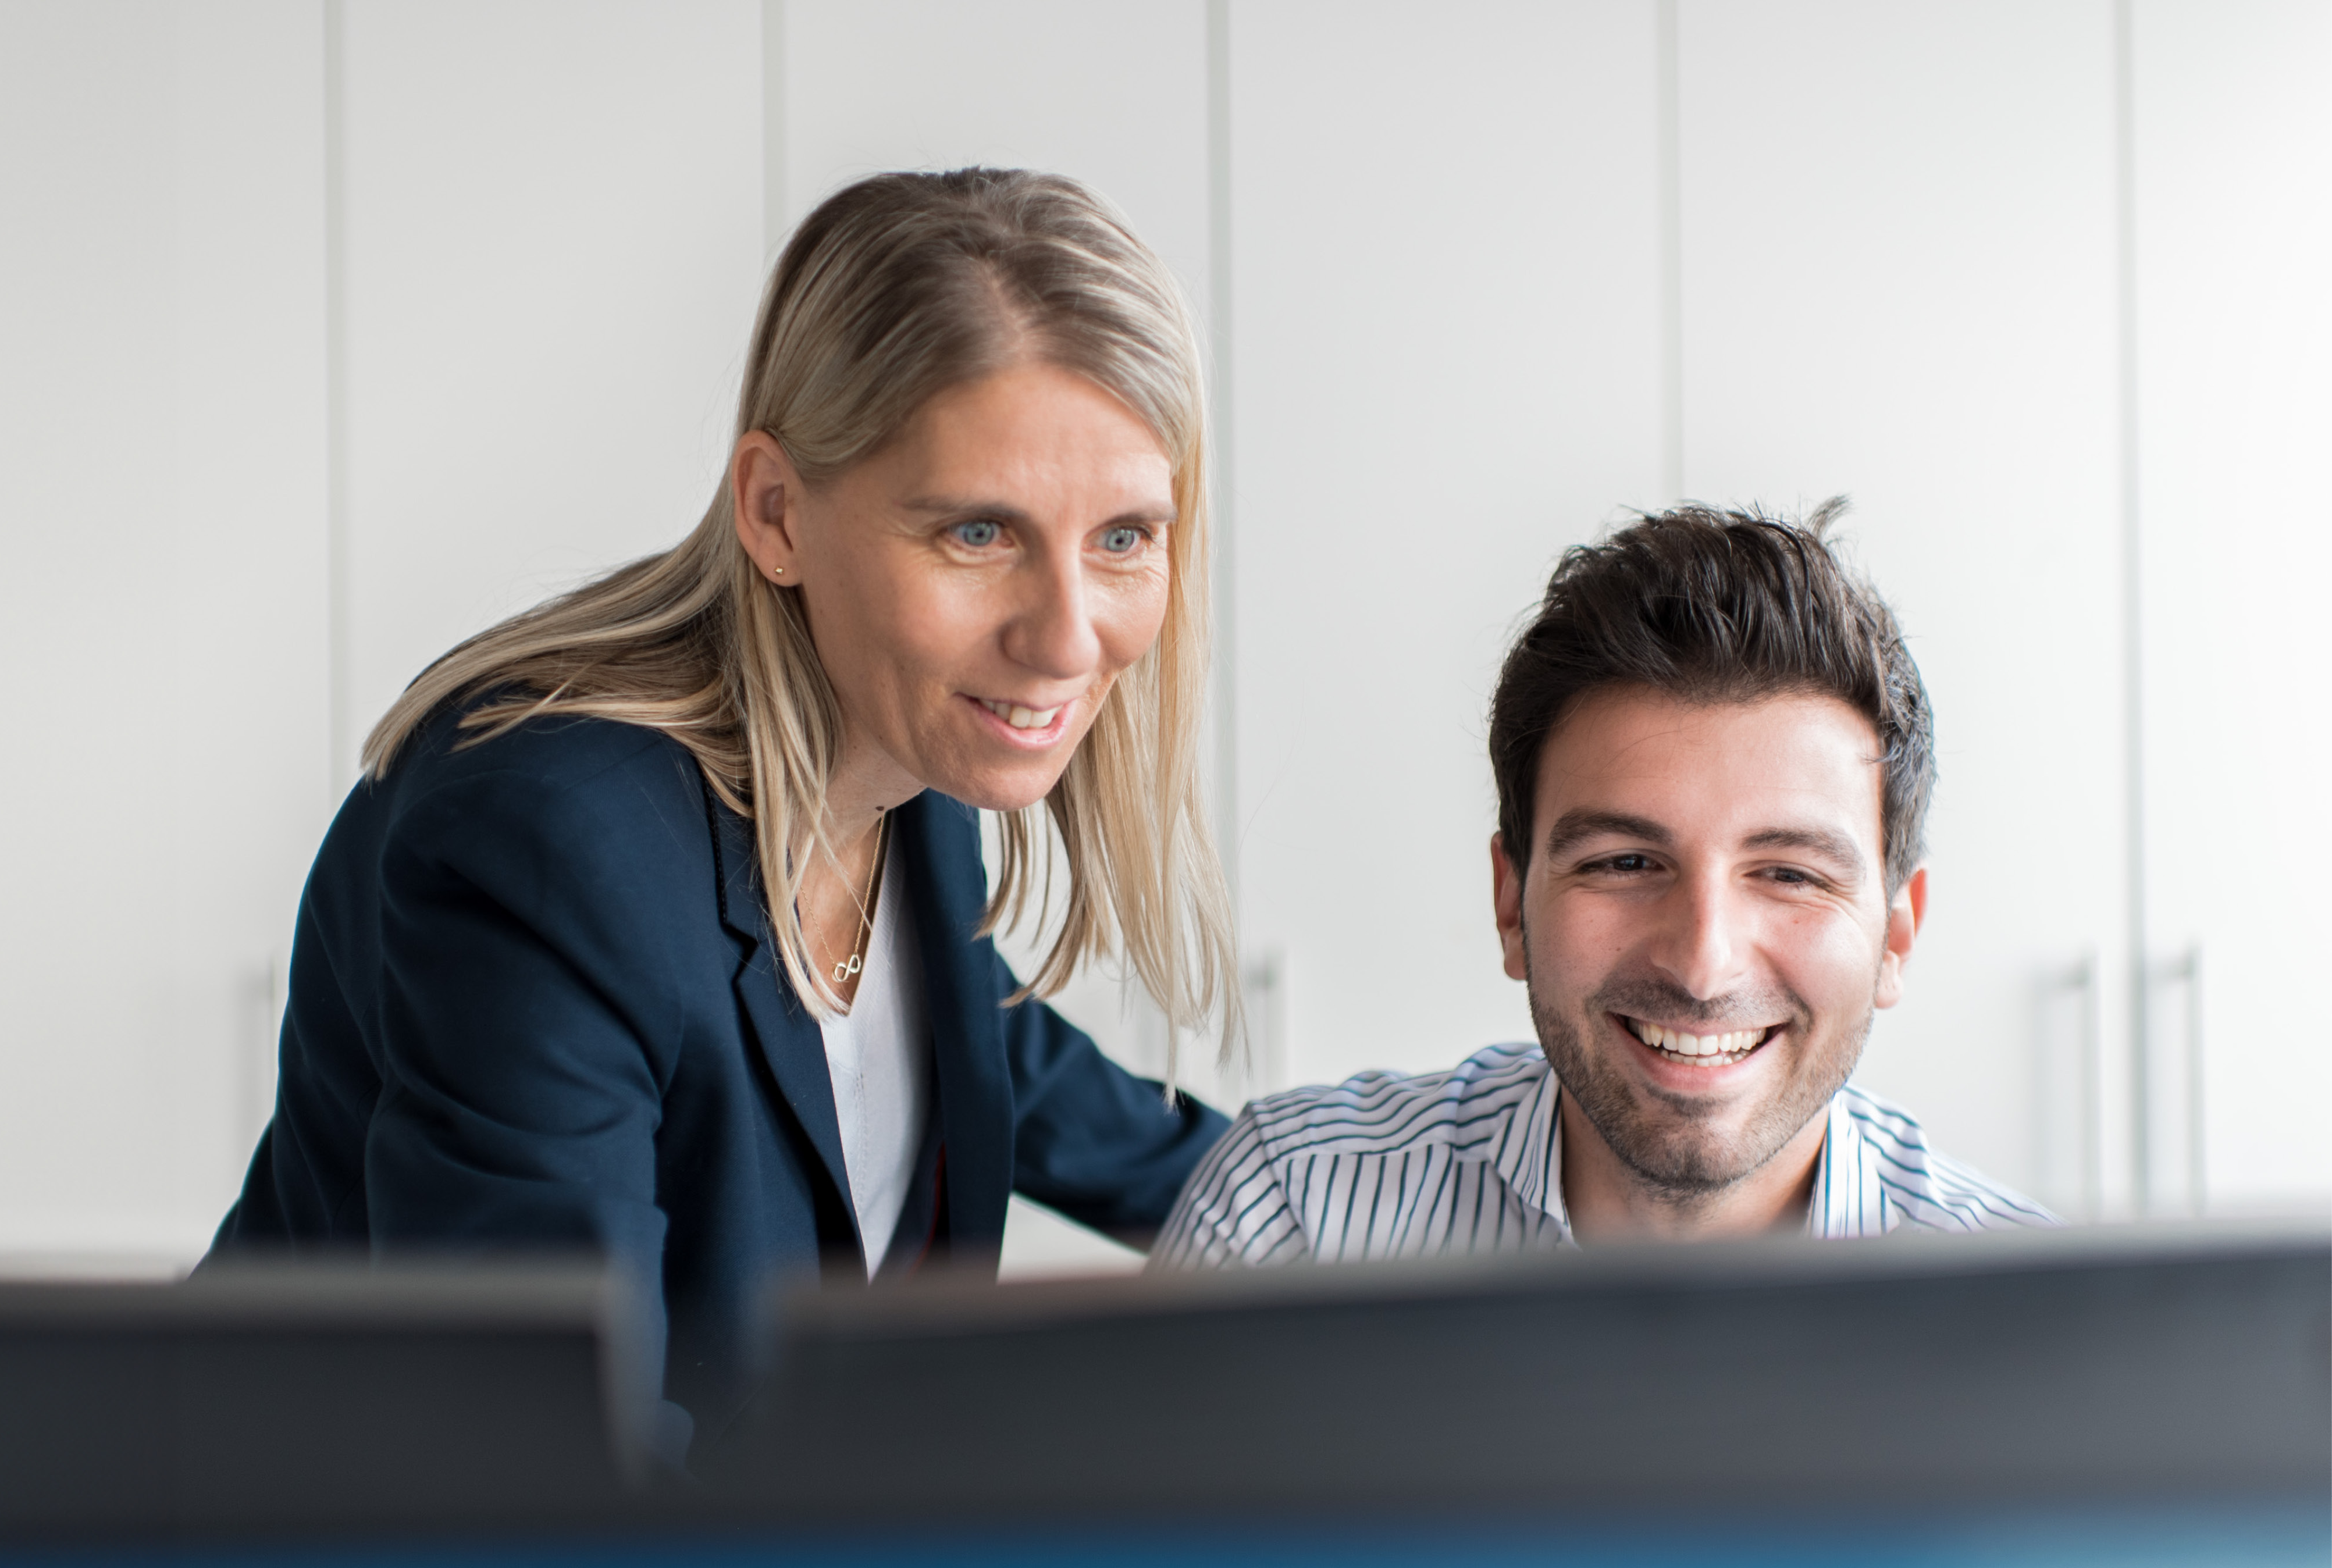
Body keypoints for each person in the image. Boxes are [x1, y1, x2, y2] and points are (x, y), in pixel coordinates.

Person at [201, 169, 1240, 1461]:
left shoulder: (909, 773)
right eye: (980, 532)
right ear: (776, 511)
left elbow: (1015, 1078)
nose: (1066, 636)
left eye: (1127, 537)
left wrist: (1408, 1189)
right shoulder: (547, 841)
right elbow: (543, 1446)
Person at [1153, 504, 2050, 1269]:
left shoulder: (2036, 1338)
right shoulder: (1293, 1224)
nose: (1703, 964)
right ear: (1513, 905)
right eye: (1625, 863)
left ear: (1895, 937)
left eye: (1789, 875)